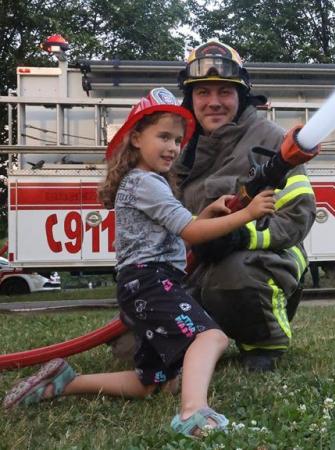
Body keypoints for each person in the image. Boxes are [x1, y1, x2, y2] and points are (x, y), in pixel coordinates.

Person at [2, 88, 276, 437]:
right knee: (210, 338)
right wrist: (248, 213)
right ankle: (194, 413)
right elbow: (191, 233)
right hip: (150, 282)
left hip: (142, 285)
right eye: (163, 136)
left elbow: (180, 228)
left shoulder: (147, 182)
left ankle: (65, 382)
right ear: (135, 138)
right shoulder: (146, 183)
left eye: (178, 140)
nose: (173, 148)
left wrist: (209, 211)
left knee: (154, 383)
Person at [173, 40, 316, 372]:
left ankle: (263, 342)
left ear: (242, 95)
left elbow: (298, 215)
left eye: (224, 91)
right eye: (203, 93)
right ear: (190, 98)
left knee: (233, 276)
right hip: (192, 265)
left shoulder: (271, 141)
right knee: (131, 341)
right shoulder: (177, 146)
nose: (213, 102)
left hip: (258, 261)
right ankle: (203, 337)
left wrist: (241, 236)